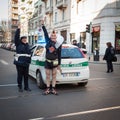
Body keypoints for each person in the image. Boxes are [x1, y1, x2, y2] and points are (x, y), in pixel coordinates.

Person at [41, 20, 63, 95]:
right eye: (52, 35)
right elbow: (45, 33)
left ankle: (53, 89)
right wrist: (43, 25)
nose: (53, 36)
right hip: (47, 61)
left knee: (54, 75)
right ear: (50, 37)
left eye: (54, 35)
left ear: (56, 37)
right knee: (47, 75)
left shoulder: (58, 44)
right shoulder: (48, 41)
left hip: (55, 61)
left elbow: (59, 55)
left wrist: (59, 65)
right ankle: (47, 88)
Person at [14, 24, 32, 92]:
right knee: (20, 76)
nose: (25, 39)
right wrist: (18, 29)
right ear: (21, 39)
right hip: (19, 63)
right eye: (23, 38)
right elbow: (16, 37)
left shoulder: (27, 45)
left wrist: (29, 61)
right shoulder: (18, 44)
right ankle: (20, 87)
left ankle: (26, 87)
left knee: (26, 76)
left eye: (25, 39)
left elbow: (29, 54)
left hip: (26, 63)